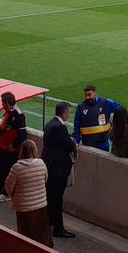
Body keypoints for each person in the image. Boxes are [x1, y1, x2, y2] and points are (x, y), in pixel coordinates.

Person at [5, 139, 52, 246]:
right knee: (42, 237)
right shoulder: (41, 164)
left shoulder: (17, 168)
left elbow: (8, 188)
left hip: (23, 208)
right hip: (40, 206)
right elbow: (45, 180)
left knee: (25, 238)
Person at [42, 100, 77, 238]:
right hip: (58, 170)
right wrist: (72, 141)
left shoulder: (50, 124)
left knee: (51, 197)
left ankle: (50, 223)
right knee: (57, 199)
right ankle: (58, 228)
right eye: (68, 112)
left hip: (50, 167)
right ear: (64, 113)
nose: (69, 115)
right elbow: (70, 146)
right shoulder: (59, 127)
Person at [0, 91, 27, 203]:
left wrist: (13, 146)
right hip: (4, 148)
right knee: (2, 169)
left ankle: (6, 193)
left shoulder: (19, 115)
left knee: (8, 171)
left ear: (7, 103)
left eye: (2, 103)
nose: (2, 106)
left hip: (12, 150)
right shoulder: (8, 113)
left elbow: (23, 135)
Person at [75, 84, 121, 150]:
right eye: (86, 95)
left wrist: (114, 121)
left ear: (95, 93)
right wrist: (77, 142)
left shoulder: (106, 102)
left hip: (103, 144)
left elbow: (121, 109)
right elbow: (76, 125)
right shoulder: (80, 107)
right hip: (87, 145)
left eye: (89, 95)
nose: (87, 97)